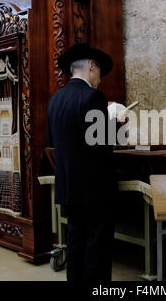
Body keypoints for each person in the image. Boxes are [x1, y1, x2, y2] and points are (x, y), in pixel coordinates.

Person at [47, 43, 119, 283]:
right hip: (94, 188)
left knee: (76, 240)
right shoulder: (93, 97)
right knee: (96, 247)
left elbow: (55, 140)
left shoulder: (55, 99)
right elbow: (103, 143)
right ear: (91, 66)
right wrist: (118, 123)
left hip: (69, 186)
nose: (100, 79)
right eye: (99, 72)